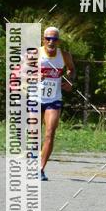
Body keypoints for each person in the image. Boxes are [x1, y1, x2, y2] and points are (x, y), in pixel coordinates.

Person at [39, 27, 75, 180]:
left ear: (58, 41)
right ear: (43, 39)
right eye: (48, 38)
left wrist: (69, 80)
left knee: (50, 133)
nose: (51, 42)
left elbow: (72, 70)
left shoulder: (64, 56)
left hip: (54, 99)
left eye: (54, 39)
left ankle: (40, 169)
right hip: (34, 98)